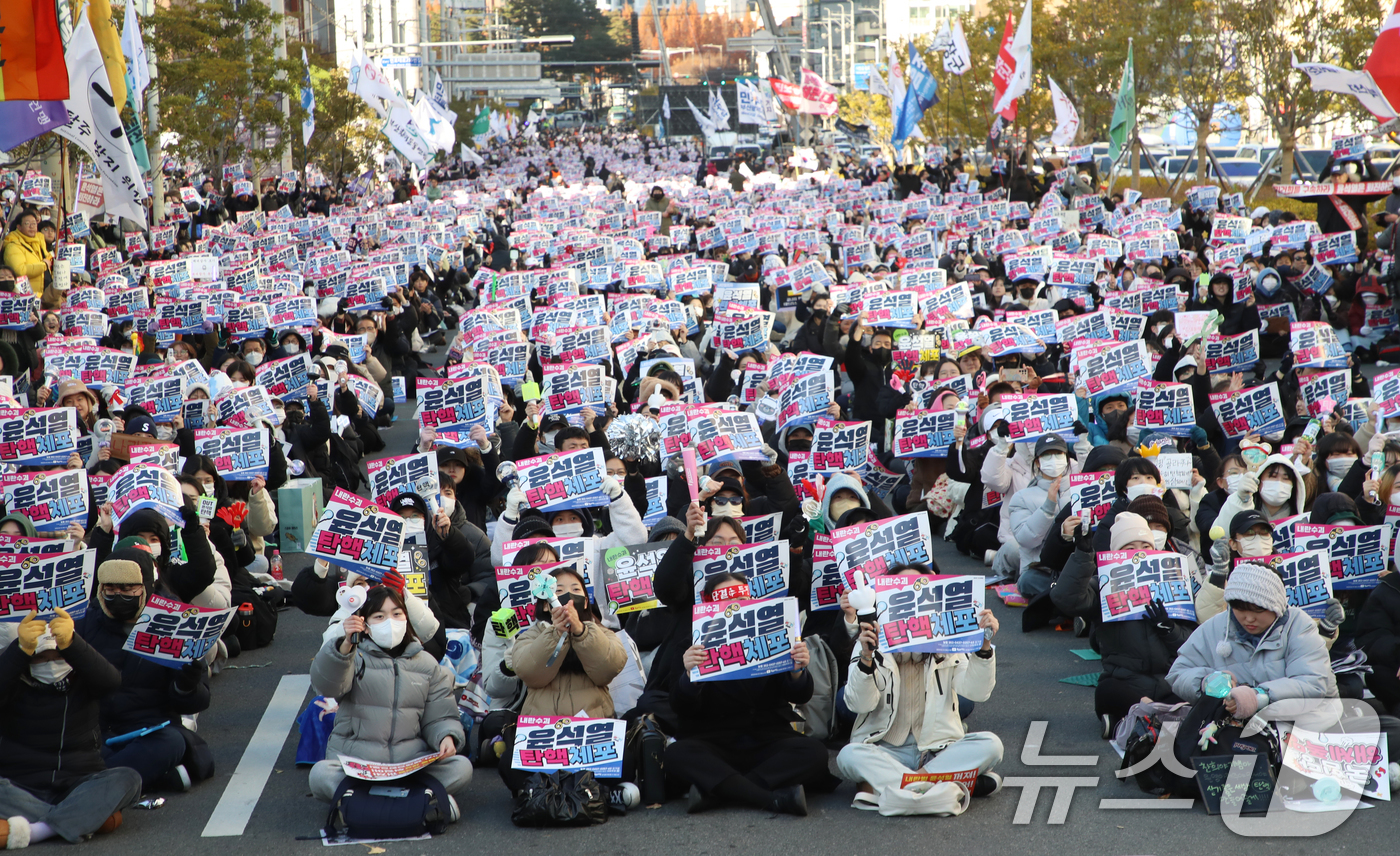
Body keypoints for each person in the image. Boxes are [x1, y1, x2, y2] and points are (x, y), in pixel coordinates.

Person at [836, 564, 1003, 815]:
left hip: (938, 750)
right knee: (848, 755)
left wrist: (985, 645)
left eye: (921, 591)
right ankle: (947, 784)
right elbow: (859, 705)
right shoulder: (870, 643)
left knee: (992, 745)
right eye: (903, 592)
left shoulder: (949, 642)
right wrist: (867, 659)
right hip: (886, 751)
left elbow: (978, 692)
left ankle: (899, 787)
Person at [666, 570, 827, 816]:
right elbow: (680, 706)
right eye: (725, 601)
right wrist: (690, 676)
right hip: (713, 741)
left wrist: (797, 671)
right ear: (709, 605)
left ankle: (718, 792)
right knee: (677, 754)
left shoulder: (774, 638)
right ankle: (770, 798)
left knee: (815, 753)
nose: (733, 608)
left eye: (740, 600)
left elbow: (801, 696)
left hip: (767, 739)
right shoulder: (691, 646)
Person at [307, 584, 470, 808]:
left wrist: (446, 737)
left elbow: (440, 717)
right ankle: (421, 803)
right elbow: (328, 686)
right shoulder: (354, 658)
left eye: (396, 614)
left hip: (410, 765)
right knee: (320, 774)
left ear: (406, 618)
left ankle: (359, 805)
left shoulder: (427, 664)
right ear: (364, 622)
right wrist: (344, 646)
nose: (390, 622)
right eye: (379, 616)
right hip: (358, 766)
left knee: (461, 767)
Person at [75, 548, 212, 791]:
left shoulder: (173, 621)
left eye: (127, 589)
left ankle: (94, 785)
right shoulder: (83, 622)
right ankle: (139, 781)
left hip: (149, 729)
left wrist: (187, 684)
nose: (118, 595)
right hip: (95, 730)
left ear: (146, 587)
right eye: (110, 588)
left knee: (172, 743)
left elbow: (195, 702)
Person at [0, 611, 141, 846]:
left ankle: (37, 831)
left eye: (57, 656)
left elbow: (112, 681)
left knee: (129, 778)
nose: (50, 663)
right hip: (19, 785)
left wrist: (73, 644)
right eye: (40, 658)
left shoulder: (84, 675)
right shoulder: (11, 675)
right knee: (108, 818)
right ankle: (80, 818)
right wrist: (18, 650)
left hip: (77, 783)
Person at [497, 567, 627, 797]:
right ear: (546, 603)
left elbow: (609, 667)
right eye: (558, 590)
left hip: (590, 741)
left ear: (585, 603)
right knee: (509, 762)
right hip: (546, 742)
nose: (568, 596)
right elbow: (529, 671)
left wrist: (580, 631)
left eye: (576, 590)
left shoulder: (602, 633)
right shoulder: (531, 635)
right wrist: (556, 634)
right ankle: (585, 794)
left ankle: (551, 793)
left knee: (626, 755)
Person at [1167, 562, 1337, 717]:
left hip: (1304, 725)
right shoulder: (1214, 627)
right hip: (1235, 731)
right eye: (1240, 609)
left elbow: (1312, 683)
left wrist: (1259, 696)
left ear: (1276, 606)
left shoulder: (1299, 625)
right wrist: (1206, 682)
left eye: (1258, 610)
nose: (1248, 619)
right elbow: (1178, 673)